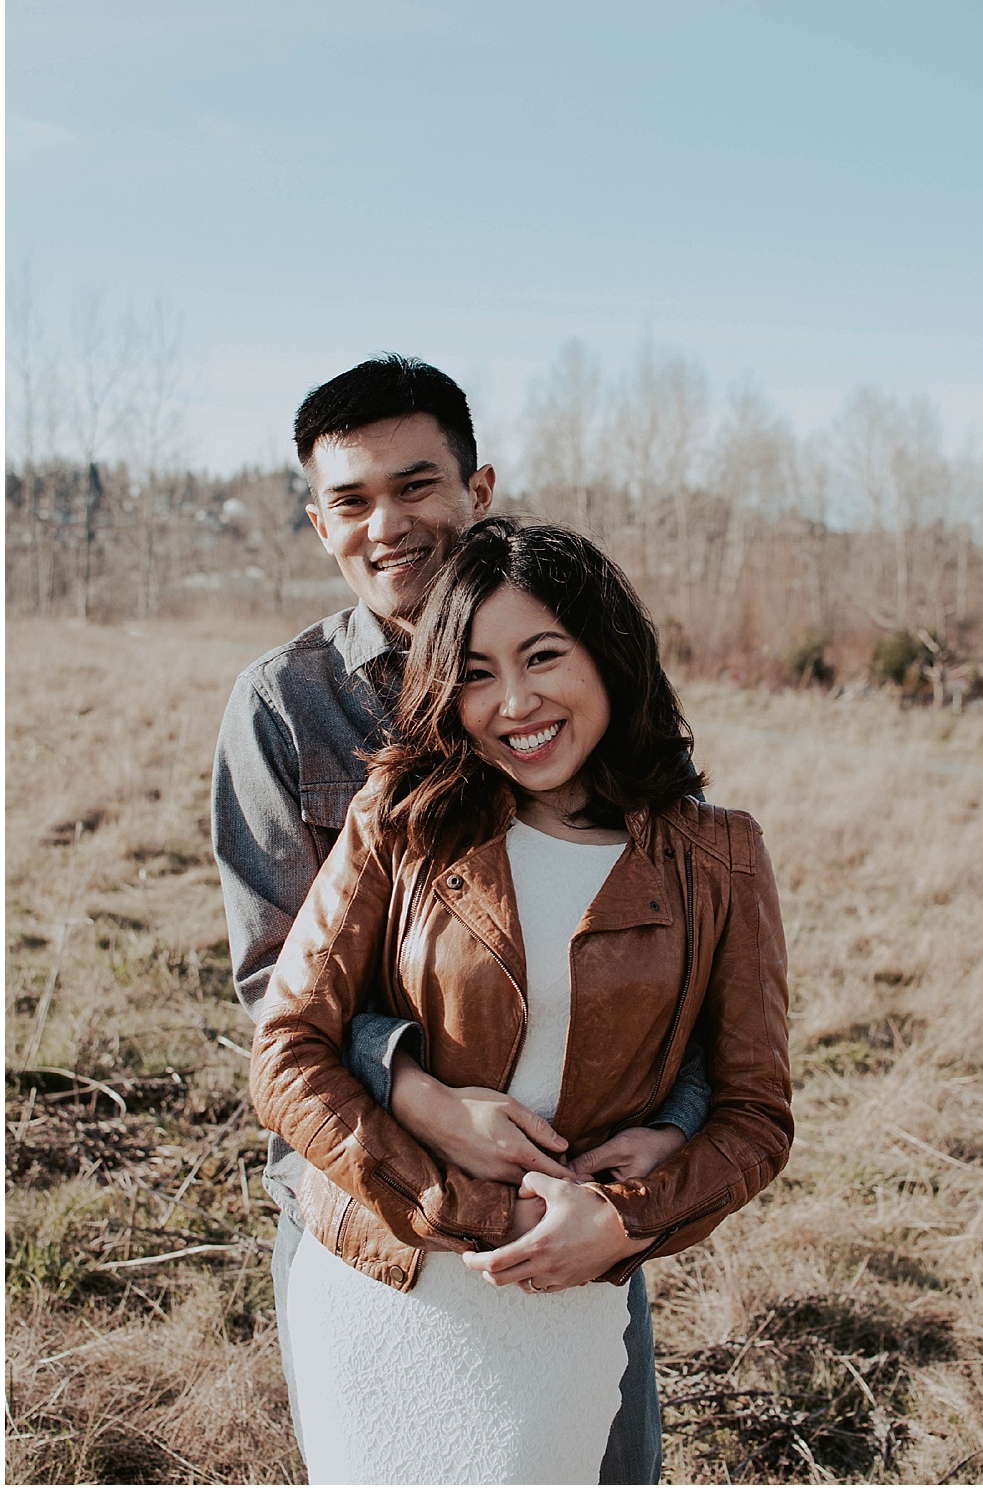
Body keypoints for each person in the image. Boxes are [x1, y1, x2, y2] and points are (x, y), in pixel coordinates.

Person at [211, 355, 708, 1482]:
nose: (387, 522)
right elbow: (270, 995)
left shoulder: (578, 678)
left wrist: (660, 1145)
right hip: (368, 1195)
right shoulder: (285, 710)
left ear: (476, 488)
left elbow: (673, 947)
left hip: (569, 1204)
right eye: (351, 499)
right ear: (318, 521)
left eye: (416, 483)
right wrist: (428, 1097)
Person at [249, 517, 794, 1482]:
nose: (514, 701)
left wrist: (629, 1215)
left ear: (610, 656)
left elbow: (756, 1116)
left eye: (544, 655)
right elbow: (287, 1048)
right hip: (384, 1280)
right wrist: (464, 1201)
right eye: (474, 671)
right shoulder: (402, 816)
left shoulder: (721, 858)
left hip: (567, 1292)